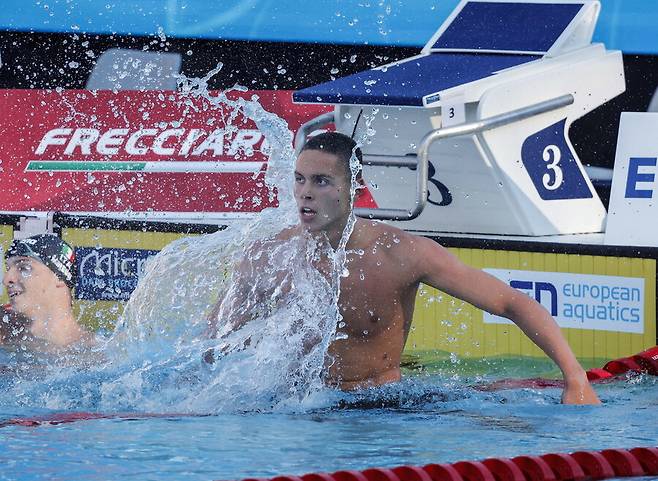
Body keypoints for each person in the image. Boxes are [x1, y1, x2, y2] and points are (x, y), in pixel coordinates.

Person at [209, 131, 600, 405]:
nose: (305, 192)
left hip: (383, 408)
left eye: (322, 181)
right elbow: (212, 345)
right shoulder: (268, 256)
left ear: (354, 187)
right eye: (299, 180)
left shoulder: (401, 254)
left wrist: (576, 379)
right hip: (296, 407)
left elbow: (513, 303)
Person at [1, 234, 94, 352]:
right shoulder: (5, 333)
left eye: (24, 267)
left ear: (59, 277)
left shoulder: (98, 353)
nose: (6, 279)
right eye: (8, 269)